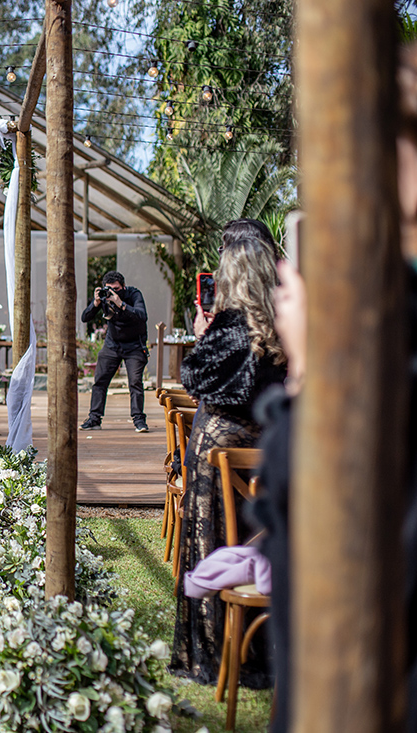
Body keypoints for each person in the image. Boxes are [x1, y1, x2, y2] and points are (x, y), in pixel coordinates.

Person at [170, 232, 287, 687]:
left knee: (212, 542)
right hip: (270, 450)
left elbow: (196, 379)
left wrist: (203, 334)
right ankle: (264, 647)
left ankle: (214, 647)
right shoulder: (283, 323)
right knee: (259, 539)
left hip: (217, 449)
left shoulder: (229, 324)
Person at [80, 270, 150, 432]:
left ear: (123, 287)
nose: (112, 292)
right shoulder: (104, 297)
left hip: (134, 346)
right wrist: (96, 303)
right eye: (109, 289)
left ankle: (139, 420)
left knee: (135, 383)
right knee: (100, 381)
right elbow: (85, 317)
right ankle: (94, 419)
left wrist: (120, 303)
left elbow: (142, 315)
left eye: (116, 289)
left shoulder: (133, 294)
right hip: (112, 345)